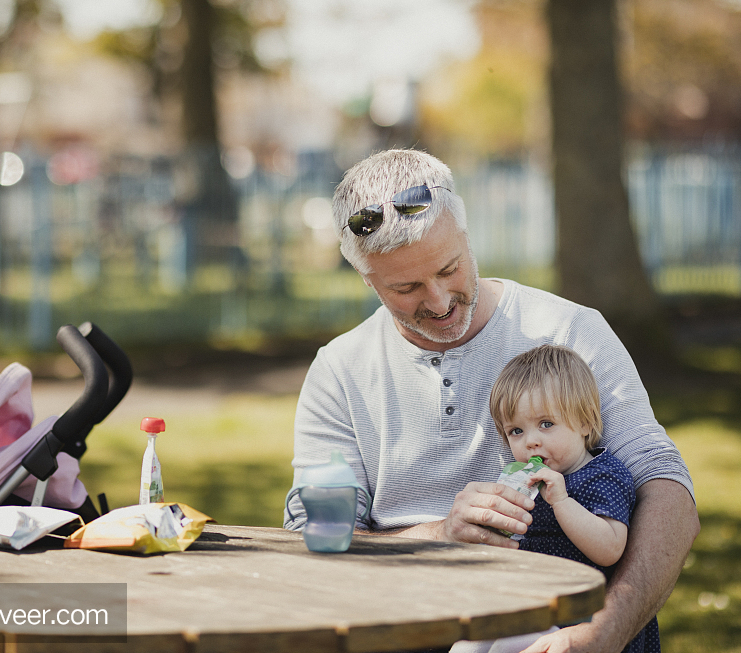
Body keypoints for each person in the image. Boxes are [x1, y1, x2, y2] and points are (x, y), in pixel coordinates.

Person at [285, 149, 698, 653]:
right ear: (366, 279)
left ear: (466, 235)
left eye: (449, 268)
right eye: (407, 287)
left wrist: (602, 634)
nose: (438, 302)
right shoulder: (340, 371)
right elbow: (318, 541)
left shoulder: (569, 330)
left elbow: (668, 490)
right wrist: (439, 536)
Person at [455, 344, 647, 653]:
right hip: (528, 604)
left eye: (546, 424)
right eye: (516, 431)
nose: (531, 441)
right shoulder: (526, 481)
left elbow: (610, 548)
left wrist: (561, 502)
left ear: (585, 422)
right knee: (469, 641)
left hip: (577, 619)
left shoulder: (601, 475)